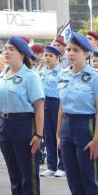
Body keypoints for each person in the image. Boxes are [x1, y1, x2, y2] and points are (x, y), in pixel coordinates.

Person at [57, 33, 98, 195]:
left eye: (76, 50)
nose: (71, 54)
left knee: (89, 179)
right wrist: (59, 134)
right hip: (68, 125)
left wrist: (97, 138)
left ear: (87, 54)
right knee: (73, 179)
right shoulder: (63, 75)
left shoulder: (95, 77)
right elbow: (61, 107)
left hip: (86, 125)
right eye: (69, 49)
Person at [0, 36, 45, 195]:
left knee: (27, 170)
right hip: (6, 124)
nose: (6, 52)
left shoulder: (30, 76)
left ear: (22, 54)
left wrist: (38, 134)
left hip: (24, 123)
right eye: (5, 48)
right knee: (13, 169)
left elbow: (39, 107)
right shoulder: (4, 73)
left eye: (11, 49)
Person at [39, 44, 64, 178]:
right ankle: (51, 165)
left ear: (57, 58)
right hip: (45, 102)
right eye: (46, 55)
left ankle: (62, 165)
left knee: (58, 134)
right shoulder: (42, 71)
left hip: (57, 103)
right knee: (48, 135)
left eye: (51, 56)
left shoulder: (62, 72)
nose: (47, 58)